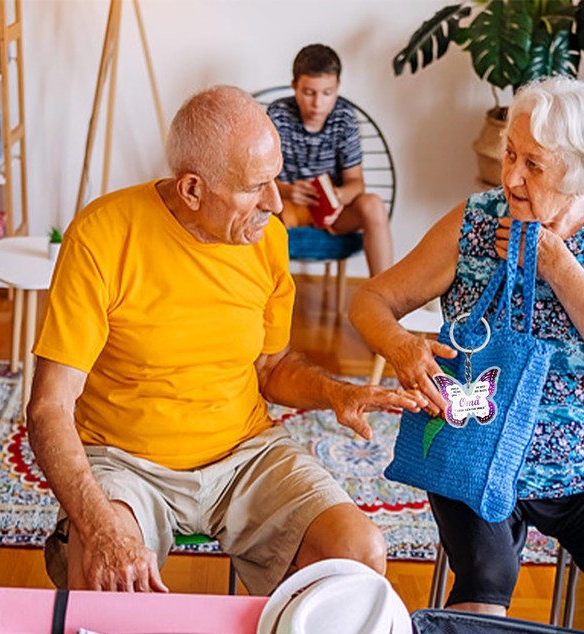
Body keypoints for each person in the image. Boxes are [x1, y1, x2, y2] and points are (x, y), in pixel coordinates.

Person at [27, 85, 426, 596]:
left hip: (245, 454)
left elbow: (270, 368)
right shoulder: (102, 236)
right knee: (103, 576)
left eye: (276, 179)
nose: (276, 202)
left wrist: (336, 392)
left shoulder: (267, 240)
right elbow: (48, 409)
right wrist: (98, 524)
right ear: (192, 189)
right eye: (255, 186)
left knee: (358, 553)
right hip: (126, 460)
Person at [349, 76, 584, 634]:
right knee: (488, 575)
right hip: (472, 448)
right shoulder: (477, 221)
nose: (510, 177)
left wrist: (557, 265)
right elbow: (371, 300)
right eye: (511, 154)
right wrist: (402, 345)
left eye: (534, 165)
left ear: (579, 168)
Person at [267, 43, 393, 277]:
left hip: (333, 211)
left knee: (373, 204)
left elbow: (356, 183)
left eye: (327, 93)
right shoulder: (278, 115)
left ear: (337, 87)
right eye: (308, 92)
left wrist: (337, 196)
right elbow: (260, 179)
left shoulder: (344, 118)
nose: (318, 103)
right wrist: (288, 190)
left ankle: (383, 295)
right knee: (254, 208)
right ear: (294, 86)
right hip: (284, 208)